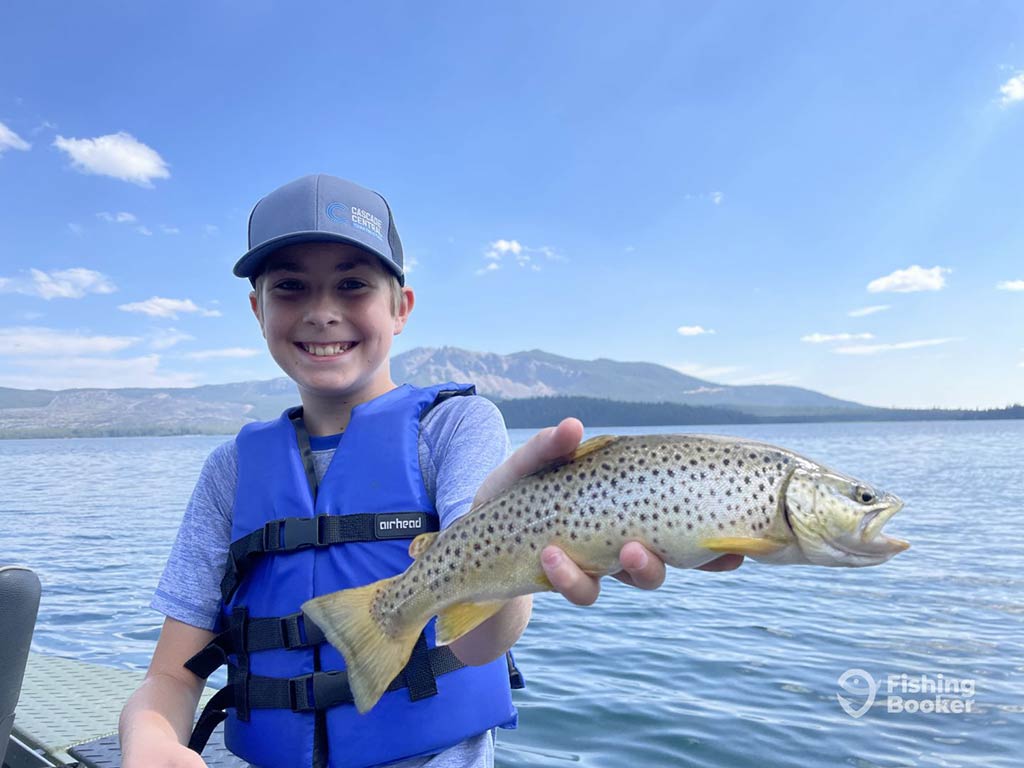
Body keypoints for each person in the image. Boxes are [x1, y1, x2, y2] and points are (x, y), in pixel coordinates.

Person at [118, 174, 742, 768]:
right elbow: (172, 676)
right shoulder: (229, 470)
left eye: (353, 284)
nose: (322, 312)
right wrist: (147, 737)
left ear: (401, 307)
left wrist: (505, 537)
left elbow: (477, 644)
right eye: (289, 287)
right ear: (257, 310)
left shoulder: (455, 428)